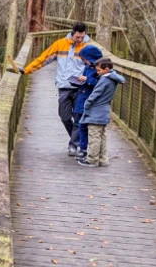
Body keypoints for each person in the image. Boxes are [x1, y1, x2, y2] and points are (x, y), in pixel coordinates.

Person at [23, 21, 99, 156]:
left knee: (78, 117)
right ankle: (79, 139)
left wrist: (91, 80)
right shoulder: (60, 44)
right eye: (77, 37)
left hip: (81, 88)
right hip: (64, 86)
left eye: (82, 37)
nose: (80, 39)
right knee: (64, 117)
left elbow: (98, 66)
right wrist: (27, 70)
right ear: (72, 33)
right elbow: (44, 58)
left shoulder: (88, 47)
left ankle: (74, 145)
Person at [78, 57, 126, 167]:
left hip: (96, 112)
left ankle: (92, 159)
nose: (97, 72)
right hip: (105, 111)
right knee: (102, 136)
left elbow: (95, 94)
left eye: (99, 70)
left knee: (94, 136)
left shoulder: (104, 80)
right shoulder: (113, 79)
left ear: (107, 69)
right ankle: (103, 159)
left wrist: (87, 104)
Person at [72, 44, 104, 161]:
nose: (84, 61)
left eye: (85, 59)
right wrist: (79, 80)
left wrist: (88, 80)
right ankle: (83, 148)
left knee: (90, 127)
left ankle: (89, 150)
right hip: (82, 98)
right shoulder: (87, 68)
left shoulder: (100, 69)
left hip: (91, 101)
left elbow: (101, 84)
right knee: (81, 125)